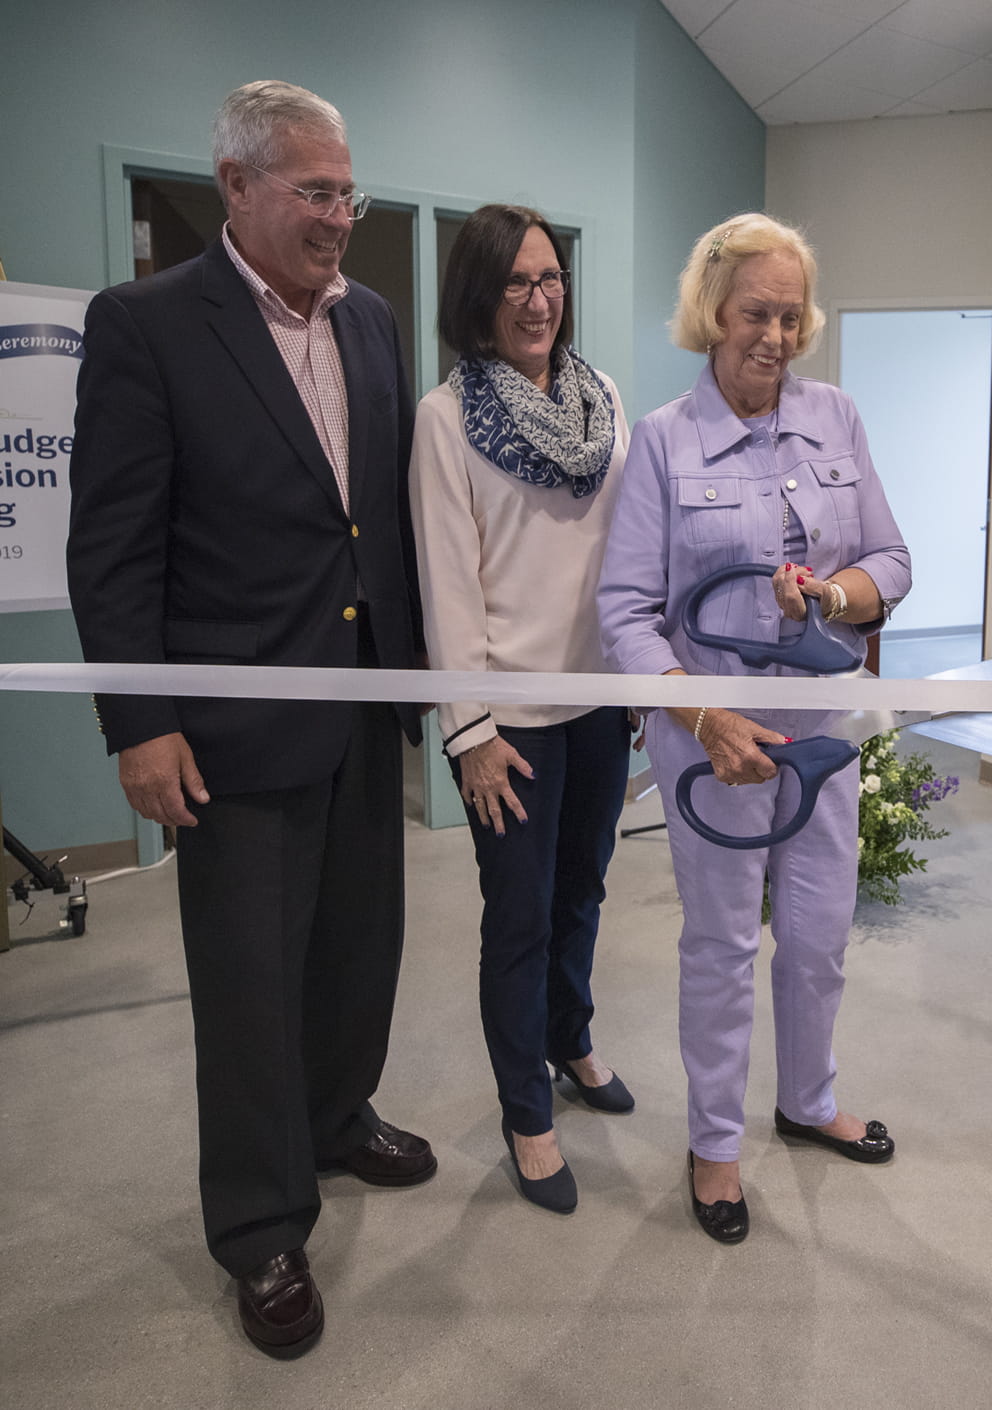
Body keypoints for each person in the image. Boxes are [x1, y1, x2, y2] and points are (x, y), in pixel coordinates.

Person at [64, 81, 434, 1357]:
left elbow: (375, 520)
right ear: (236, 185)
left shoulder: (375, 322)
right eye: (315, 193)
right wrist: (138, 720)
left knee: (354, 953)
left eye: (349, 193)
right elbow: (111, 548)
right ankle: (262, 1226)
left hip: (360, 705)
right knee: (247, 988)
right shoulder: (149, 325)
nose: (340, 217)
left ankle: (336, 1120)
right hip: (227, 728)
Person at [597, 213, 912, 1244]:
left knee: (818, 934)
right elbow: (625, 612)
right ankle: (715, 1142)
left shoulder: (839, 418)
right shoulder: (661, 439)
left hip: (819, 726)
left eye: (788, 316)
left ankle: (809, 1100)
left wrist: (830, 598)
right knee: (724, 944)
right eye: (752, 314)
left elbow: (891, 566)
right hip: (711, 735)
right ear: (711, 315)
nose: (772, 337)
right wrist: (701, 715)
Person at [410, 205, 635, 1216]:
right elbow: (446, 585)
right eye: (515, 284)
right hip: (510, 721)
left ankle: (569, 1037)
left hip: (596, 704)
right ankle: (524, 1112)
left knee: (583, 891)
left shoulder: (604, 401)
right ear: (478, 299)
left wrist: (634, 682)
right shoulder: (446, 419)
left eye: (549, 279)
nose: (538, 300)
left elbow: (627, 555)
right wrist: (470, 731)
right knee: (519, 918)